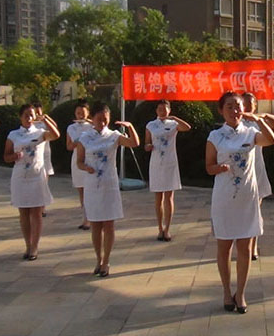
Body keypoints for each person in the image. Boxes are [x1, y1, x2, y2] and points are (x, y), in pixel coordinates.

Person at [206, 91, 274, 314]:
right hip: (224, 198)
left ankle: (241, 293)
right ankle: (227, 292)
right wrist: (218, 168)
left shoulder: (251, 132)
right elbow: (208, 167)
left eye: (237, 106)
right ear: (221, 110)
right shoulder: (215, 136)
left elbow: (271, 140)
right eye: (229, 106)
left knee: (245, 248)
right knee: (224, 247)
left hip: (247, 198)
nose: (234, 110)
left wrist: (258, 120)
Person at [76, 102, 139, 277]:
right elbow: (79, 161)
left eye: (105, 119)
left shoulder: (114, 136)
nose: (102, 123)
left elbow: (134, 143)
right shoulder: (85, 138)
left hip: (109, 185)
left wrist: (130, 127)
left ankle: (106, 261)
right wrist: (86, 167)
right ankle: (98, 259)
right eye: (99, 119)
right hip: (92, 186)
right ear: (92, 119)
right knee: (96, 224)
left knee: (109, 224)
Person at [4, 104, 60, 261]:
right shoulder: (13, 134)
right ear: (20, 117)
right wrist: (13, 157)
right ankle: (27, 244)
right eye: (26, 115)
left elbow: (56, 135)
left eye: (32, 115)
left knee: (36, 212)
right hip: (20, 177)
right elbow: (6, 156)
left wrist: (45, 119)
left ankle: (34, 246)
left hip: (36, 176)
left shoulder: (40, 133)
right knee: (23, 212)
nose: (29, 118)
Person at [242, 93, 274, 261]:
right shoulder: (237, 122)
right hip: (240, 172)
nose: (248, 106)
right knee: (242, 212)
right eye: (245, 103)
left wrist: (262, 116)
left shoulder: (258, 122)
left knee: (255, 211)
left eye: (251, 103)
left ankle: (253, 246)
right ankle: (243, 244)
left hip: (256, 170)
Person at [144, 100, 192, 241]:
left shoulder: (173, 124)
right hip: (156, 163)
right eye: (160, 109)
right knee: (158, 197)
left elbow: (187, 127)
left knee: (169, 196)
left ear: (169, 110)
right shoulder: (151, 125)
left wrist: (175, 118)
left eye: (165, 109)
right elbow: (147, 142)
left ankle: (167, 229)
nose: (162, 112)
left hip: (170, 162)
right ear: (156, 110)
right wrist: (148, 146)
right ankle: (160, 228)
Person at [66, 99, 93, 230]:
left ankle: (91, 218)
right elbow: (69, 146)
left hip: (90, 159)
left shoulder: (93, 126)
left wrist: (91, 122)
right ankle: (85, 217)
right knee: (81, 190)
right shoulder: (71, 128)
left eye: (83, 112)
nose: (80, 115)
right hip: (77, 159)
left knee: (90, 190)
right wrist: (77, 142)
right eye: (78, 113)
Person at [33, 102, 58, 217]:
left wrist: (46, 118)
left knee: (44, 182)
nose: (37, 114)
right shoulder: (31, 125)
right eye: (35, 112)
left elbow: (55, 128)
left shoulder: (44, 123)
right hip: (33, 157)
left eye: (39, 112)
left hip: (45, 155)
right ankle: (35, 206)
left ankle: (42, 208)